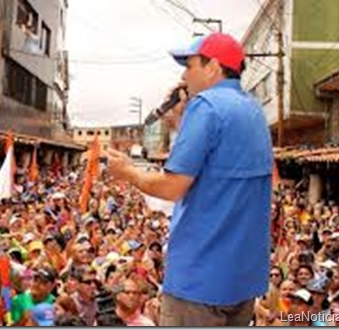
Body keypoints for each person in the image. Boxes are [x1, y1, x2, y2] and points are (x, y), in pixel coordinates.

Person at [106, 32, 273, 326]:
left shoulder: (206, 106)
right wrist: (182, 118)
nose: (184, 74)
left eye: (190, 64)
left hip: (199, 279)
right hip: (241, 279)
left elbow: (172, 186)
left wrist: (127, 172)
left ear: (213, 67)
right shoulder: (253, 110)